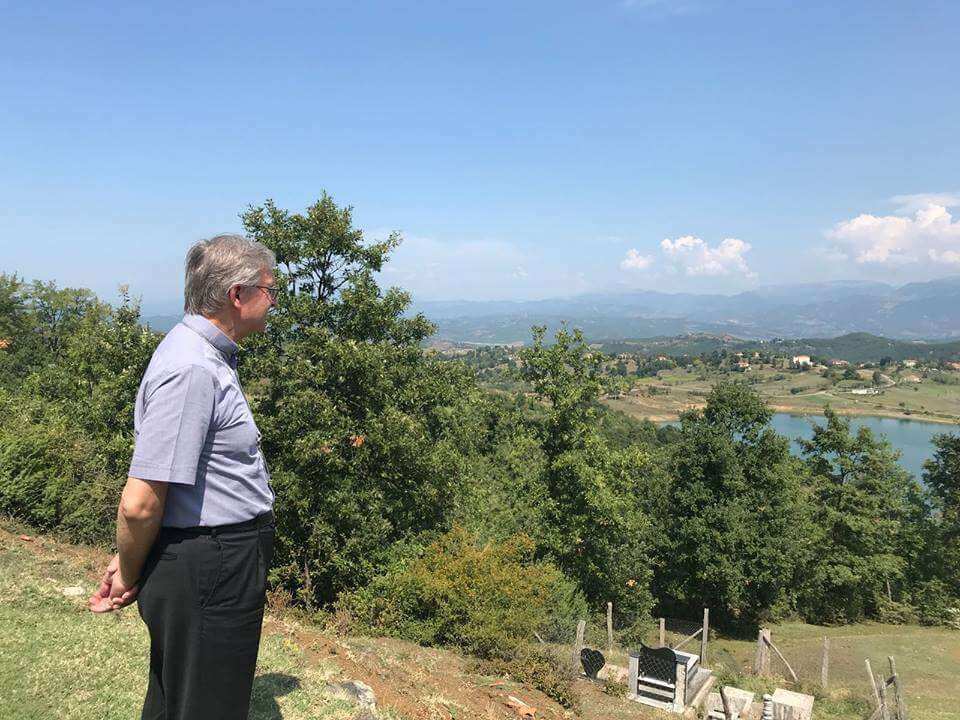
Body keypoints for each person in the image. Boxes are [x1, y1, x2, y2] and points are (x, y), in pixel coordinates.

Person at [89, 234, 279, 720]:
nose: (274, 301)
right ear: (237, 295)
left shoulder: (201, 356)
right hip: (211, 568)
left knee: (179, 699)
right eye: (269, 290)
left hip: (207, 561)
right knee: (208, 705)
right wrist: (128, 568)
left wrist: (130, 556)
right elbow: (141, 503)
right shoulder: (193, 368)